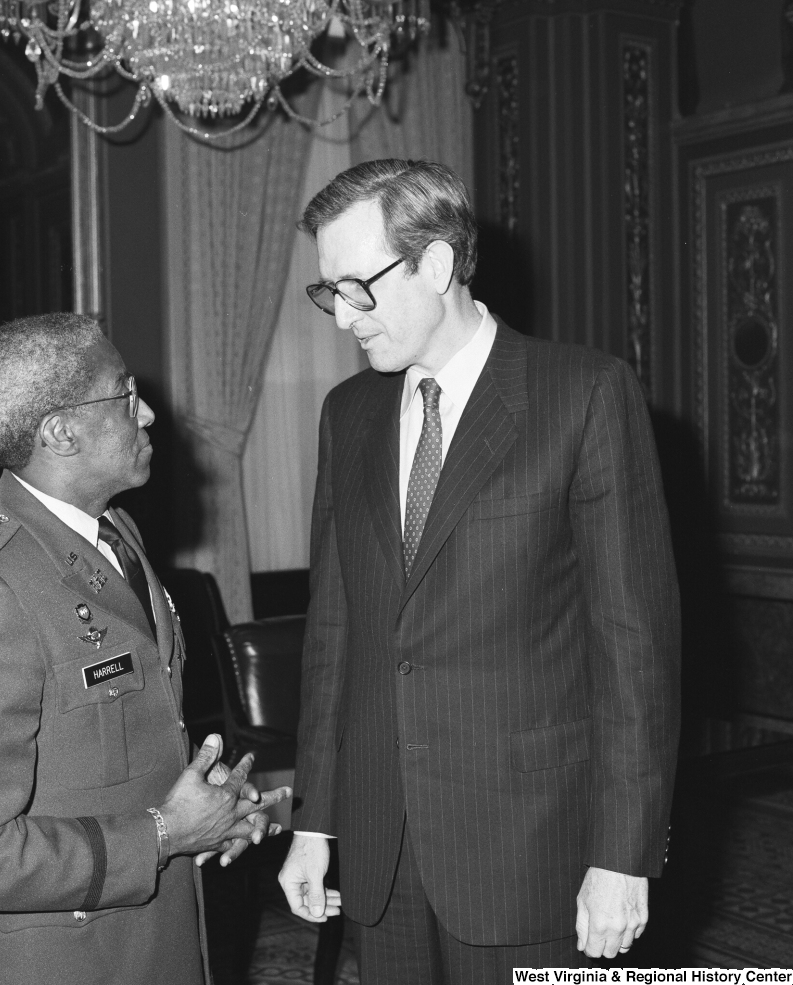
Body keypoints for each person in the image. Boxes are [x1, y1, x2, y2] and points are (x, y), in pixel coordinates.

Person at [277, 159, 681, 983]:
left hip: (533, 852)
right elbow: (332, 637)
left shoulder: (583, 394)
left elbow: (634, 647)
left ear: (436, 263)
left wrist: (623, 854)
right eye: (328, 292)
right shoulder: (346, 416)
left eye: (359, 286)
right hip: (382, 847)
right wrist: (315, 821)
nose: (344, 317)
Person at [0, 313, 289, 985]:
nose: (147, 413)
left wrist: (209, 813)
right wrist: (165, 832)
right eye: (125, 391)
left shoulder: (113, 531)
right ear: (61, 430)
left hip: (155, 938)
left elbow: (122, 750)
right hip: (65, 961)